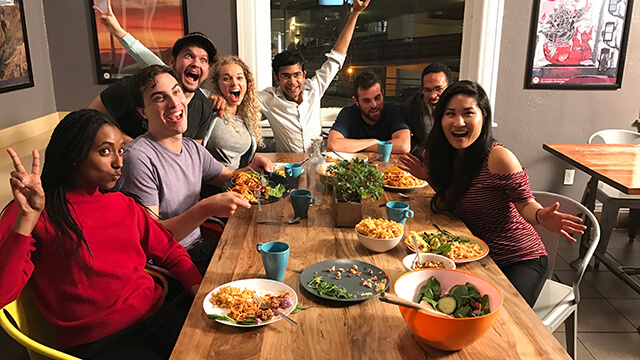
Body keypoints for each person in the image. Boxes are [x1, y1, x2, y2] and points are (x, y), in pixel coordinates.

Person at [0, 109, 202, 359]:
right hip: (103, 342)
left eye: (120, 150)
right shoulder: (33, 211)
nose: (119, 162)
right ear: (74, 155)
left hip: (158, 315)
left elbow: (170, 251)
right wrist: (26, 219)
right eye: (105, 151)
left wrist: (200, 292)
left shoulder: (124, 204)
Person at [399, 80, 586, 306]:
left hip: (519, 259)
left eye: (468, 113)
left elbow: (525, 203)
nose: (459, 122)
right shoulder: (445, 154)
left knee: (504, 317)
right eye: (450, 114)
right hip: (475, 257)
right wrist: (428, 175)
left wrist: (540, 216)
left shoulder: (498, 158)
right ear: (440, 120)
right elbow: (457, 198)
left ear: (483, 117)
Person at [117, 65, 255, 274]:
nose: (174, 102)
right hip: (169, 264)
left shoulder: (191, 148)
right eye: (159, 98)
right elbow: (152, 238)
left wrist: (252, 169)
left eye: (176, 91)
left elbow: (229, 177)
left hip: (199, 247)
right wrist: (205, 208)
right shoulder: (138, 157)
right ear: (143, 112)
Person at [211, 0, 371, 152]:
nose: (292, 81)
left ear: (304, 75)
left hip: (318, 161)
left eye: (296, 75)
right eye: (286, 76)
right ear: (277, 79)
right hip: (286, 166)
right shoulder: (269, 99)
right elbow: (237, 93)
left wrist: (355, 13)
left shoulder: (315, 88)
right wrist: (216, 97)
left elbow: (337, 58)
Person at [90, 0, 217, 143]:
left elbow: (194, 157)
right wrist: (130, 144)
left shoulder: (204, 108)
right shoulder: (132, 87)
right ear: (172, 62)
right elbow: (89, 120)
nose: (196, 64)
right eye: (188, 56)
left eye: (203, 60)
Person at [200, 56, 274, 197]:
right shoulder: (210, 105)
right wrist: (209, 96)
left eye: (239, 78)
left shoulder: (246, 115)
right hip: (213, 189)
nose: (235, 83)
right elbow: (189, 90)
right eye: (227, 79)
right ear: (217, 84)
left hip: (239, 185)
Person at [327, 70, 410, 153]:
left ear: (382, 93)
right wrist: (373, 142)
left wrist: (361, 147)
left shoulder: (393, 111)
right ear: (356, 101)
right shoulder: (348, 114)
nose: (374, 105)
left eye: (377, 98)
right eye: (367, 101)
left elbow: (404, 146)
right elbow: (333, 145)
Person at [400, 63, 452, 154]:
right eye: (427, 90)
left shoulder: (459, 109)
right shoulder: (408, 109)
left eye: (438, 89)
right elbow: (409, 142)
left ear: (450, 88)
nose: (432, 96)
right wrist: (421, 153)